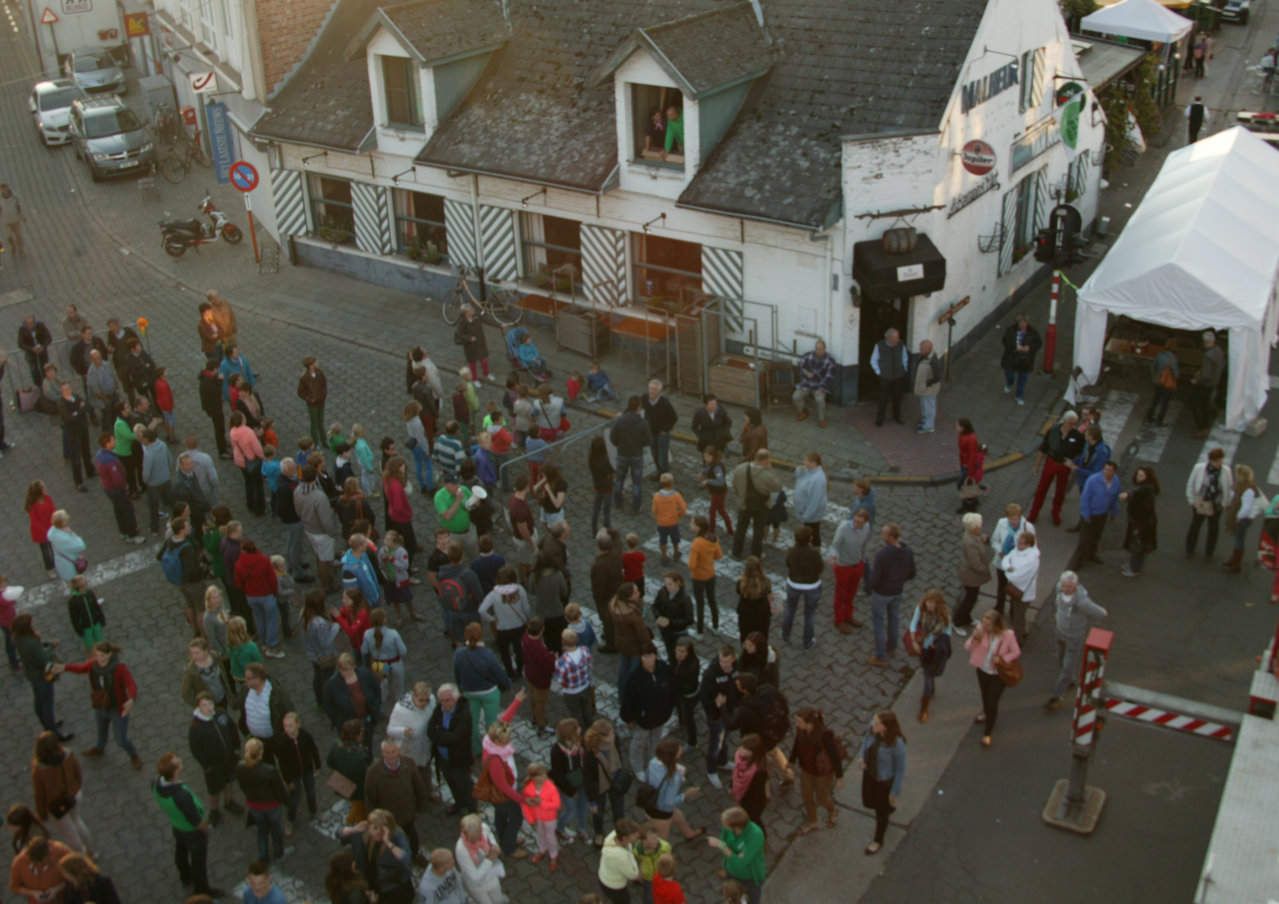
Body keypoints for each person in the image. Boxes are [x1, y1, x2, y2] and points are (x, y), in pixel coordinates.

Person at [150, 753, 220, 901]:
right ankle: (202, 889)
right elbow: (195, 820)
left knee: (180, 850)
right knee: (198, 863)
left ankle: (185, 876)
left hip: (177, 825)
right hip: (192, 831)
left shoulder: (157, 783)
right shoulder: (181, 795)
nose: (181, 761)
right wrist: (206, 828)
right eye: (178, 763)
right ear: (175, 771)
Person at [62, 641, 142, 768]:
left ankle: (133, 755)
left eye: (102, 655)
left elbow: (131, 684)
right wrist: (64, 667)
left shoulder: (119, 668)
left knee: (121, 740)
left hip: (117, 709)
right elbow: (80, 668)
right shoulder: (93, 665)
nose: (99, 659)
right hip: (101, 706)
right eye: (97, 655)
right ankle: (99, 748)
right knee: (101, 732)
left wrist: (131, 699)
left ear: (109, 654)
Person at [1045, 571, 1108, 711]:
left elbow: (1102, 613)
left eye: (1068, 587)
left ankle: (1058, 694)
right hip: (1060, 632)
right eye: (1063, 585)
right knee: (1061, 658)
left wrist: (1083, 621)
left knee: (1068, 665)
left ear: (1075, 585)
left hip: (1074, 637)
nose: (1065, 589)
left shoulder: (1082, 602)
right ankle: (1070, 679)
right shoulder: (1059, 588)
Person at [365, 739, 430, 866]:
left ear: (399, 751)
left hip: (407, 813)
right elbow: (369, 798)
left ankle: (415, 854)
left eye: (393, 752)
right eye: (386, 752)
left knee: (412, 835)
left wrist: (422, 805)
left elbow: (419, 786)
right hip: (388, 819)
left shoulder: (409, 763)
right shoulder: (373, 772)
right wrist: (373, 820)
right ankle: (397, 861)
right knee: (392, 840)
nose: (390, 756)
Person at [30, 732, 93, 855]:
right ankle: (91, 852)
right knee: (77, 821)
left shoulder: (39, 769)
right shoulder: (68, 755)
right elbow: (78, 775)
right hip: (74, 795)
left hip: (56, 804)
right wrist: (75, 788)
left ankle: (81, 856)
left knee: (69, 832)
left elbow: (40, 794)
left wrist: (41, 813)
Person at [454, 622, 510, 755]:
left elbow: (457, 673)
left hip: (470, 692)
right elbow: (499, 673)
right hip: (489, 692)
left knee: (473, 724)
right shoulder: (487, 654)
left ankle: (477, 750)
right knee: (491, 723)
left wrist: (461, 689)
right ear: (481, 636)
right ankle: (491, 749)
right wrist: (507, 684)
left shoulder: (459, 653)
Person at [337, 810, 413, 904]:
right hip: (371, 883)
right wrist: (354, 829)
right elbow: (339, 832)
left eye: (375, 828)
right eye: (370, 826)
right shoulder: (364, 835)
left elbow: (406, 858)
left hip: (394, 886)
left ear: (385, 829)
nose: (371, 831)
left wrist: (388, 843)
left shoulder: (396, 836)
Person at [856, 711, 906, 854]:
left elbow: (900, 769)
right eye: (874, 721)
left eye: (877, 723)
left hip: (884, 781)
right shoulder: (873, 730)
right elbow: (866, 740)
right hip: (870, 773)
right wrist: (862, 756)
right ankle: (888, 807)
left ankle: (878, 840)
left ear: (886, 727)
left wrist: (894, 791)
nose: (873, 724)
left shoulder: (897, 745)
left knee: (880, 811)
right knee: (867, 801)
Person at [866, 523, 916, 665]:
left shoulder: (882, 554)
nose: (881, 535)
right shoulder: (908, 551)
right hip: (897, 591)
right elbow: (912, 573)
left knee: (878, 622)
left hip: (882, 593)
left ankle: (881, 655)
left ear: (890, 536)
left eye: (884, 533)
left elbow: (875, 578)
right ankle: (891, 647)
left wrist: (870, 587)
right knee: (894, 618)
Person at [622, 642, 676, 770]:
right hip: (643, 720)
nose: (648, 660)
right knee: (639, 743)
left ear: (655, 656)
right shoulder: (634, 676)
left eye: (650, 656)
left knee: (656, 741)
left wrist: (670, 707)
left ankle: (654, 763)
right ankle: (637, 767)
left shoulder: (664, 669)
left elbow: (673, 689)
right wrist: (628, 719)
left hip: (661, 716)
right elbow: (628, 700)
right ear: (641, 657)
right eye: (644, 657)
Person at [13, 613, 69, 736]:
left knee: (39, 702)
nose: (34, 622)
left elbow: (37, 650)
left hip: (32, 675)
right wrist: (50, 649)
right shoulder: (31, 642)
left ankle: (47, 725)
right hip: (41, 676)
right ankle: (53, 732)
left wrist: (47, 644)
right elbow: (43, 660)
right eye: (31, 621)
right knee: (47, 705)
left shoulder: (18, 639)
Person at [235, 737, 288, 863]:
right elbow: (279, 790)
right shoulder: (270, 771)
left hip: (254, 806)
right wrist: (286, 801)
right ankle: (278, 852)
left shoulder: (240, 767)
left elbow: (242, 786)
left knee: (262, 831)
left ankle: (263, 856)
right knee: (276, 831)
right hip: (272, 806)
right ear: (260, 753)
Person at [641, 737, 704, 842]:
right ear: (672, 756)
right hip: (660, 812)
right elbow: (669, 803)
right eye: (679, 749)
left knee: (679, 816)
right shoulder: (674, 777)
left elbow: (646, 779)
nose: (682, 749)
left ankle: (689, 834)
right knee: (662, 842)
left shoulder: (653, 762)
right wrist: (686, 795)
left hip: (650, 802)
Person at [1027, 411, 1084, 526]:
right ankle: (1034, 512)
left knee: (1060, 491)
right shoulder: (1053, 431)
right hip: (1051, 462)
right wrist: (1037, 466)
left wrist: (1073, 464)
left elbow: (1079, 453)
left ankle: (1056, 512)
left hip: (1064, 466)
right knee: (1042, 489)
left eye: (1074, 424)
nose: (1072, 426)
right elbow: (1043, 449)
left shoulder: (1077, 436)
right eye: (1070, 423)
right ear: (1064, 421)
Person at [1067, 460, 1121, 571]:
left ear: (1114, 472)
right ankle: (1076, 563)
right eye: (1105, 469)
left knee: (1096, 536)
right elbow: (1085, 498)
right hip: (1090, 514)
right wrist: (1086, 514)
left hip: (1103, 514)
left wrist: (1114, 512)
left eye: (1110, 470)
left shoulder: (1116, 482)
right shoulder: (1093, 480)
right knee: (1084, 540)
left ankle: (1091, 555)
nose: (1107, 472)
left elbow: (1115, 498)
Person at [273, 712, 320, 835]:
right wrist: (287, 781)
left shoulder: (305, 736)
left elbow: (314, 751)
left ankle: (313, 812)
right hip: (293, 775)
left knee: (311, 792)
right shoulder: (282, 742)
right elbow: (282, 764)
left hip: (307, 770)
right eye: (285, 726)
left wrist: (318, 766)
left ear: (298, 724)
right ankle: (290, 820)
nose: (288, 729)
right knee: (294, 798)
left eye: (290, 726)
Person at [731, 449, 783, 559]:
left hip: (744, 504)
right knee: (758, 531)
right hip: (761, 506)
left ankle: (736, 552)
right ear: (765, 461)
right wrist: (771, 470)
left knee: (741, 528)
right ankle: (755, 553)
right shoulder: (766, 475)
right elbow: (778, 486)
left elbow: (734, 485)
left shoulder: (741, 468)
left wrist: (740, 496)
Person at [707, 807, 765, 904]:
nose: (723, 826)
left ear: (736, 826)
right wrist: (734, 855)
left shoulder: (755, 835)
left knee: (752, 901)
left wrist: (722, 846)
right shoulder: (727, 829)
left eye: (725, 824)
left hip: (749, 877)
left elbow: (739, 863)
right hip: (731, 872)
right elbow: (728, 852)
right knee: (732, 898)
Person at [1186, 446, 1232, 559]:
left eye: (1221, 461)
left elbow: (1229, 487)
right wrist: (1191, 501)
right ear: (1211, 460)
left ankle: (1209, 552)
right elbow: (1190, 484)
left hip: (1216, 504)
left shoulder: (1226, 471)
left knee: (1213, 528)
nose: (1219, 464)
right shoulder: (1199, 468)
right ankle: (1189, 549)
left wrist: (1224, 504)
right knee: (1195, 526)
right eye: (1217, 461)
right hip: (1201, 502)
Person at [612, 395, 654, 514]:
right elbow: (649, 440)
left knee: (620, 479)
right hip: (636, 455)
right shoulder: (643, 423)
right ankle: (636, 506)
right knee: (637, 482)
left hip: (622, 454)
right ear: (639, 408)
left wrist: (619, 444)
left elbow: (613, 437)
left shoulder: (620, 420)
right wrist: (641, 444)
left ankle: (618, 501)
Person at [326, 720, 372, 826]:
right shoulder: (359, 757)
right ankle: (351, 830)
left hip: (342, 784)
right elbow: (364, 778)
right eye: (361, 732)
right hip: (357, 791)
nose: (362, 734)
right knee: (360, 811)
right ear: (355, 736)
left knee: (355, 806)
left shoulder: (336, 744)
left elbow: (329, 763)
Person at [454, 813, 505, 904]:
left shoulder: (484, 828)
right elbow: (474, 877)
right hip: (477, 886)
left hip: (491, 875)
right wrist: (490, 859)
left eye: (478, 835)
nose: (477, 840)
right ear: (464, 833)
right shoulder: (461, 849)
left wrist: (494, 845)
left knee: (499, 900)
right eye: (472, 838)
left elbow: (490, 836)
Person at [1224, 464, 1265, 573]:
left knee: (1239, 540)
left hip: (1243, 519)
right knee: (1238, 538)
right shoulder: (1240, 485)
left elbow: (1247, 507)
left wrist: (1237, 518)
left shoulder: (1248, 490)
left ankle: (1236, 564)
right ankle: (1233, 560)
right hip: (1240, 517)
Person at [999, 532, 1039, 643]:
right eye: (1019, 542)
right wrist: (1008, 567)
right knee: (1017, 615)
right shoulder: (1018, 550)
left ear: (1028, 545)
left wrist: (1007, 571)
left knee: (1019, 617)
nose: (1018, 545)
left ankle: (1019, 640)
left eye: (1021, 543)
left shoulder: (1031, 559)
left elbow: (1016, 576)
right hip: (1016, 589)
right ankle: (1021, 633)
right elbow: (1007, 558)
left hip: (1023, 593)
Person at [1121, 466, 1160, 577]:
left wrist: (1128, 495)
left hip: (1142, 523)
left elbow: (1136, 493)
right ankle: (1133, 565)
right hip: (1140, 521)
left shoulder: (1146, 488)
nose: (1139, 477)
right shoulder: (1147, 487)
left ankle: (1135, 568)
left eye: (1141, 475)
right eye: (1138, 474)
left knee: (1138, 546)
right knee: (1137, 545)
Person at [792, 339, 837, 427]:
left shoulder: (830, 360)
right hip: (807, 383)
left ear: (825, 349)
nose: (818, 351)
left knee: (819, 399)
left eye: (820, 349)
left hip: (820, 385)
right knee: (795, 397)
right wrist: (805, 373)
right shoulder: (808, 355)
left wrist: (821, 387)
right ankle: (803, 411)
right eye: (817, 349)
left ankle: (822, 419)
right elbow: (799, 365)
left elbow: (829, 376)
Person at [1000, 313, 1041, 405]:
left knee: (1023, 379)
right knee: (1009, 374)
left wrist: (1029, 348)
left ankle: (1019, 396)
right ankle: (1009, 383)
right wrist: (1015, 346)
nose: (1022, 325)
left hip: (1025, 359)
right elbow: (1005, 341)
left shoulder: (1033, 332)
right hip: (1012, 357)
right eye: (1020, 323)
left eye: (1024, 323)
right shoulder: (1011, 330)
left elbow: (1038, 343)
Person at [870, 327, 908, 426]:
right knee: (883, 399)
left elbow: (905, 358)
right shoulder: (879, 345)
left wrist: (904, 370)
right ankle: (880, 418)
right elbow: (873, 360)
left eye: (898, 337)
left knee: (897, 398)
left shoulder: (901, 345)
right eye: (896, 338)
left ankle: (897, 416)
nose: (898, 340)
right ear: (889, 338)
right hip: (885, 377)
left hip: (898, 376)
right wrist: (879, 372)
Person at [598, 819, 641, 903]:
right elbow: (633, 874)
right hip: (614, 886)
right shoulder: (621, 856)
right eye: (634, 834)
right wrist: (630, 854)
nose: (638, 835)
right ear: (625, 838)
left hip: (604, 877)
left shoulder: (613, 835)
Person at [652, 573, 694, 660]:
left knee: (682, 654)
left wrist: (670, 622)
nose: (667, 586)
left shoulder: (684, 598)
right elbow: (655, 606)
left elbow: (689, 619)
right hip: (665, 630)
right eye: (666, 584)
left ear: (677, 583)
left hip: (678, 632)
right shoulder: (662, 592)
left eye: (670, 584)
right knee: (669, 650)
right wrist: (658, 617)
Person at [1190, 331, 1225, 437]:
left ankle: (1201, 427)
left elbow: (1206, 375)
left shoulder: (1207, 356)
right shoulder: (1218, 350)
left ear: (1205, 341)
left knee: (1195, 404)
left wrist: (1196, 380)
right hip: (1214, 381)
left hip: (1205, 384)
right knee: (1205, 404)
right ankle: (1206, 425)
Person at [643, 380, 678, 475]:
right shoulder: (645, 398)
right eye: (650, 388)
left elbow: (674, 418)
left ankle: (665, 478)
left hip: (662, 435)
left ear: (659, 391)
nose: (652, 391)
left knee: (662, 458)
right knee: (654, 455)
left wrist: (665, 429)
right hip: (651, 433)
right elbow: (635, 406)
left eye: (654, 389)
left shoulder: (665, 403)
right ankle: (659, 473)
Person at [793, 452, 828, 542]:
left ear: (814, 463)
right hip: (806, 510)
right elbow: (799, 477)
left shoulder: (817, 480)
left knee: (814, 533)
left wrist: (807, 516)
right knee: (811, 531)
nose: (804, 462)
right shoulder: (808, 470)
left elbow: (814, 500)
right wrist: (799, 471)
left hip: (810, 513)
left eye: (807, 461)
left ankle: (815, 550)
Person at [911, 339, 943, 434]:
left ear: (928, 349)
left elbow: (937, 377)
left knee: (929, 407)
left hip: (929, 389)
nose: (920, 350)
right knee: (924, 405)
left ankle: (929, 426)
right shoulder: (925, 356)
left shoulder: (933, 360)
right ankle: (925, 421)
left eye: (922, 348)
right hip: (924, 388)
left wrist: (927, 383)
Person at [455, 304, 492, 383]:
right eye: (470, 310)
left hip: (480, 343)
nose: (473, 310)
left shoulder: (477, 316)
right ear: (466, 314)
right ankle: (474, 378)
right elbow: (459, 334)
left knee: (484, 360)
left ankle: (486, 374)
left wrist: (500, 325)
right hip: (470, 346)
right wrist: (469, 338)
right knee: (472, 363)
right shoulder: (462, 321)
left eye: (472, 308)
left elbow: (487, 321)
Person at [296, 356, 327, 447]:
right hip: (312, 404)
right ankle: (315, 442)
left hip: (321, 401)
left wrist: (323, 394)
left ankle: (324, 441)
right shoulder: (304, 378)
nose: (317, 363)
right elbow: (300, 392)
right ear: (310, 365)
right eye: (315, 362)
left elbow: (324, 383)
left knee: (321, 423)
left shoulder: (319, 372)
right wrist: (310, 399)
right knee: (314, 424)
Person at [1147, 339, 1179, 427]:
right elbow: (1176, 374)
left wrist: (1154, 376)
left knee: (1156, 399)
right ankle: (1159, 420)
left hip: (1157, 380)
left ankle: (1149, 416)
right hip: (1166, 383)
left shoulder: (1159, 355)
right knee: (1165, 402)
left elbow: (1153, 366)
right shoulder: (1173, 359)